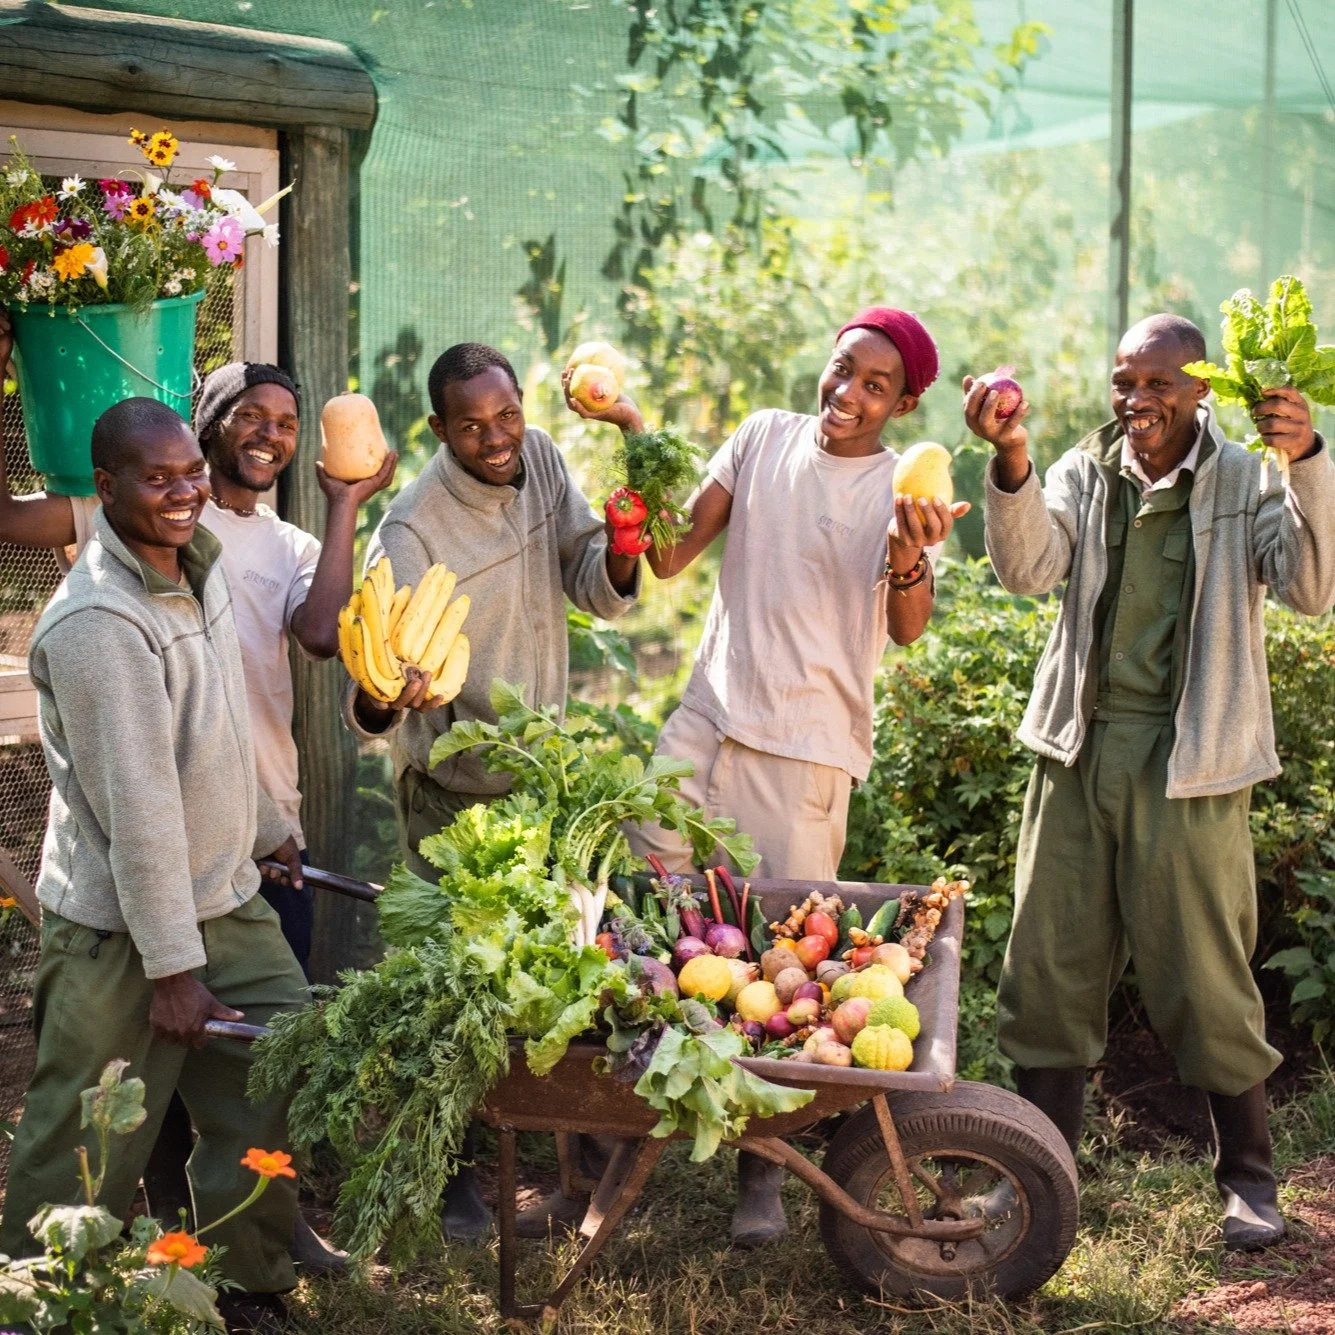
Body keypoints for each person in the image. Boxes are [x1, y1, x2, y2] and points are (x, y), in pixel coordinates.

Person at [535, 307, 967, 1249]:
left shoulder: (901, 487)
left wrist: (905, 555)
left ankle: (759, 1169)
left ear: (906, 402)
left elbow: (907, 626)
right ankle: (622, 1136)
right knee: (646, 932)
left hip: (805, 752)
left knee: (779, 965)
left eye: (875, 385)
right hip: (704, 724)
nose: (848, 393)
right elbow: (670, 554)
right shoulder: (762, 436)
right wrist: (634, 431)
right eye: (843, 367)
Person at [965, 313, 1335, 1251]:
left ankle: (1249, 1180)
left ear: (1200, 387)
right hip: (1077, 749)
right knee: (1047, 967)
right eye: (1123, 382)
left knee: (1205, 974)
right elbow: (1025, 566)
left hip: (1192, 763)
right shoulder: (1085, 472)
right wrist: (1011, 456)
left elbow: (1307, 586)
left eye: (1157, 383)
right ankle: (1032, 1175)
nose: (1136, 401)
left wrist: (1306, 460)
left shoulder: (1246, 475)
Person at [0, 398, 310, 1335]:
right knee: (87, 1134)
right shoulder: (99, 620)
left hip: (222, 898)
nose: (184, 492)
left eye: (190, 473)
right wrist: (172, 969)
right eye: (157, 476)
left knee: (272, 1078)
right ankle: (39, 1306)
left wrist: (262, 824)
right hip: (119, 930)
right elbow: (137, 811)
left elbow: (215, 727)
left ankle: (242, 1284)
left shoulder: (197, 566)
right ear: (105, 488)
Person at [344, 340, 640, 1237]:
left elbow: (592, 583)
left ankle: (561, 1157)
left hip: (540, 785)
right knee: (455, 994)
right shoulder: (410, 528)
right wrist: (388, 692)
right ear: (438, 429)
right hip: (454, 797)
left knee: (547, 983)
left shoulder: (542, 458)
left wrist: (625, 547)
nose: (496, 436)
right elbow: (367, 696)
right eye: (470, 425)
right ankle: (450, 1175)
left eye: (505, 414)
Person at [0, 316, 396, 971]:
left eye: (287, 422)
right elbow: (9, 519)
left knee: (259, 1052)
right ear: (210, 421)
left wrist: (347, 500)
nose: (271, 433)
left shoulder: (292, 547)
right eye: (252, 415)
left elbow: (322, 635)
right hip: (148, 841)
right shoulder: (143, 510)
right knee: (153, 1046)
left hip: (261, 826)